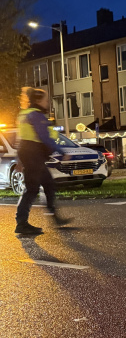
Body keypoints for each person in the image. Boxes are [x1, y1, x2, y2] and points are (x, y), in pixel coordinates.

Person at [15, 88, 72, 235]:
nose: (47, 103)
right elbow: (44, 137)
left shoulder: (24, 114)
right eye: (46, 100)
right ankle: (23, 222)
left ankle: (50, 217)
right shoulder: (36, 115)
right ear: (39, 101)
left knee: (43, 185)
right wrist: (62, 151)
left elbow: (20, 139)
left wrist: (19, 160)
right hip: (33, 155)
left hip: (28, 153)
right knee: (35, 187)